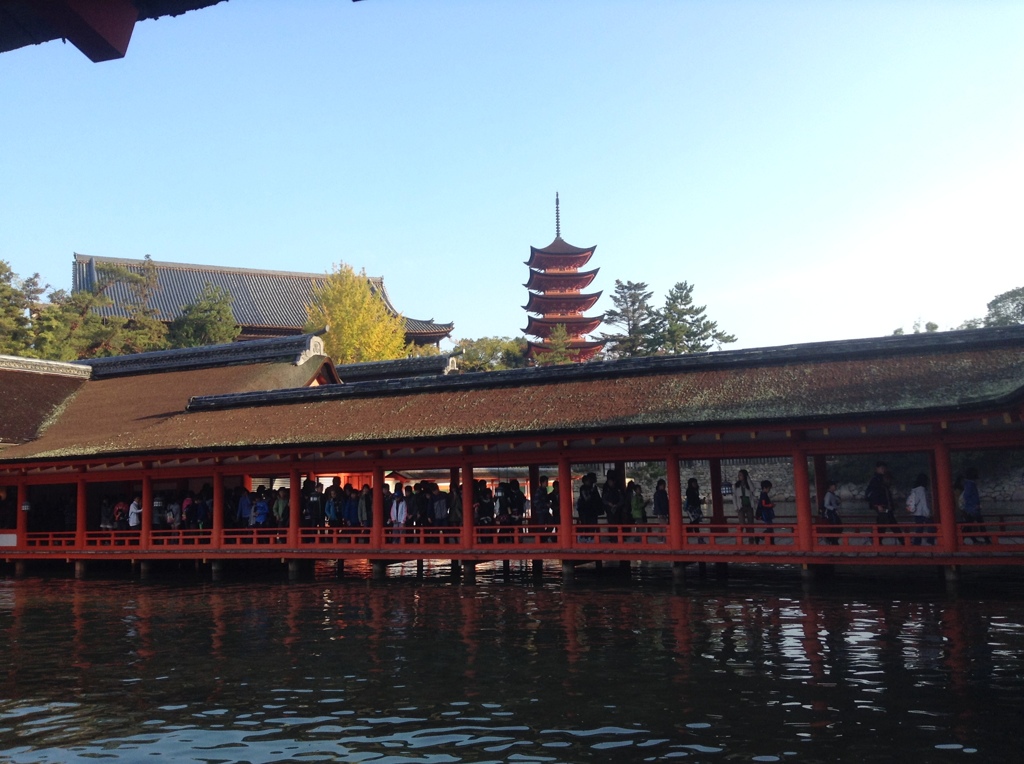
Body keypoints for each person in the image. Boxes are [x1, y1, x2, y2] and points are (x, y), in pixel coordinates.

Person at [866, 462, 904, 545]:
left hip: (886, 505)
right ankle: (902, 541)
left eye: (884, 468)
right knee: (886, 523)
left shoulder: (882, 479)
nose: (883, 470)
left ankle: (875, 539)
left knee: (886, 522)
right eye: (881, 468)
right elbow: (873, 494)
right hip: (881, 505)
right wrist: (877, 505)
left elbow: (886, 494)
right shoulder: (875, 480)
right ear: (877, 469)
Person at [960, 467, 991, 544]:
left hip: (971, 508)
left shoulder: (969, 483)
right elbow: (966, 496)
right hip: (973, 509)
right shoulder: (970, 484)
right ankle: (986, 539)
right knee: (978, 524)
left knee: (969, 525)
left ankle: (962, 538)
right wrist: (974, 505)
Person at [905, 473, 933, 546]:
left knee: (919, 528)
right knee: (932, 526)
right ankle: (930, 541)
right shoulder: (922, 489)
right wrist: (928, 513)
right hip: (922, 512)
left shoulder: (915, 489)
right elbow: (924, 502)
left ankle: (917, 542)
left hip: (916, 512)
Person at [732, 469, 756, 542]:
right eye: (738, 475)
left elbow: (752, 489)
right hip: (740, 506)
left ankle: (751, 537)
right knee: (741, 523)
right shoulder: (736, 485)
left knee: (750, 522)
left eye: (741, 475)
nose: (739, 476)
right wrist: (735, 507)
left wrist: (748, 479)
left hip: (749, 505)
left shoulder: (749, 484)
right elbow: (734, 497)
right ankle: (739, 539)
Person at [822, 480, 842, 545]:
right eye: (834, 485)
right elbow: (826, 504)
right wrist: (833, 509)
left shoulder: (833, 494)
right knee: (835, 526)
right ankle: (833, 540)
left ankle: (831, 539)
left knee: (838, 526)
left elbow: (835, 503)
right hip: (830, 513)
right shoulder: (828, 494)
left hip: (834, 512)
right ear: (830, 486)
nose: (835, 487)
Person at [757, 480, 775, 544]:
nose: (769, 490)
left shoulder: (762, 494)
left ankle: (770, 541)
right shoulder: (764, 495)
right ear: (765, 488)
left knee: (770, 528)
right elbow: (763, 504)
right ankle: (761, 536)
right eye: (768, 488)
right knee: (770, 528)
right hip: (766, 513)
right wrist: (770, 505)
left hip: (766, 513)